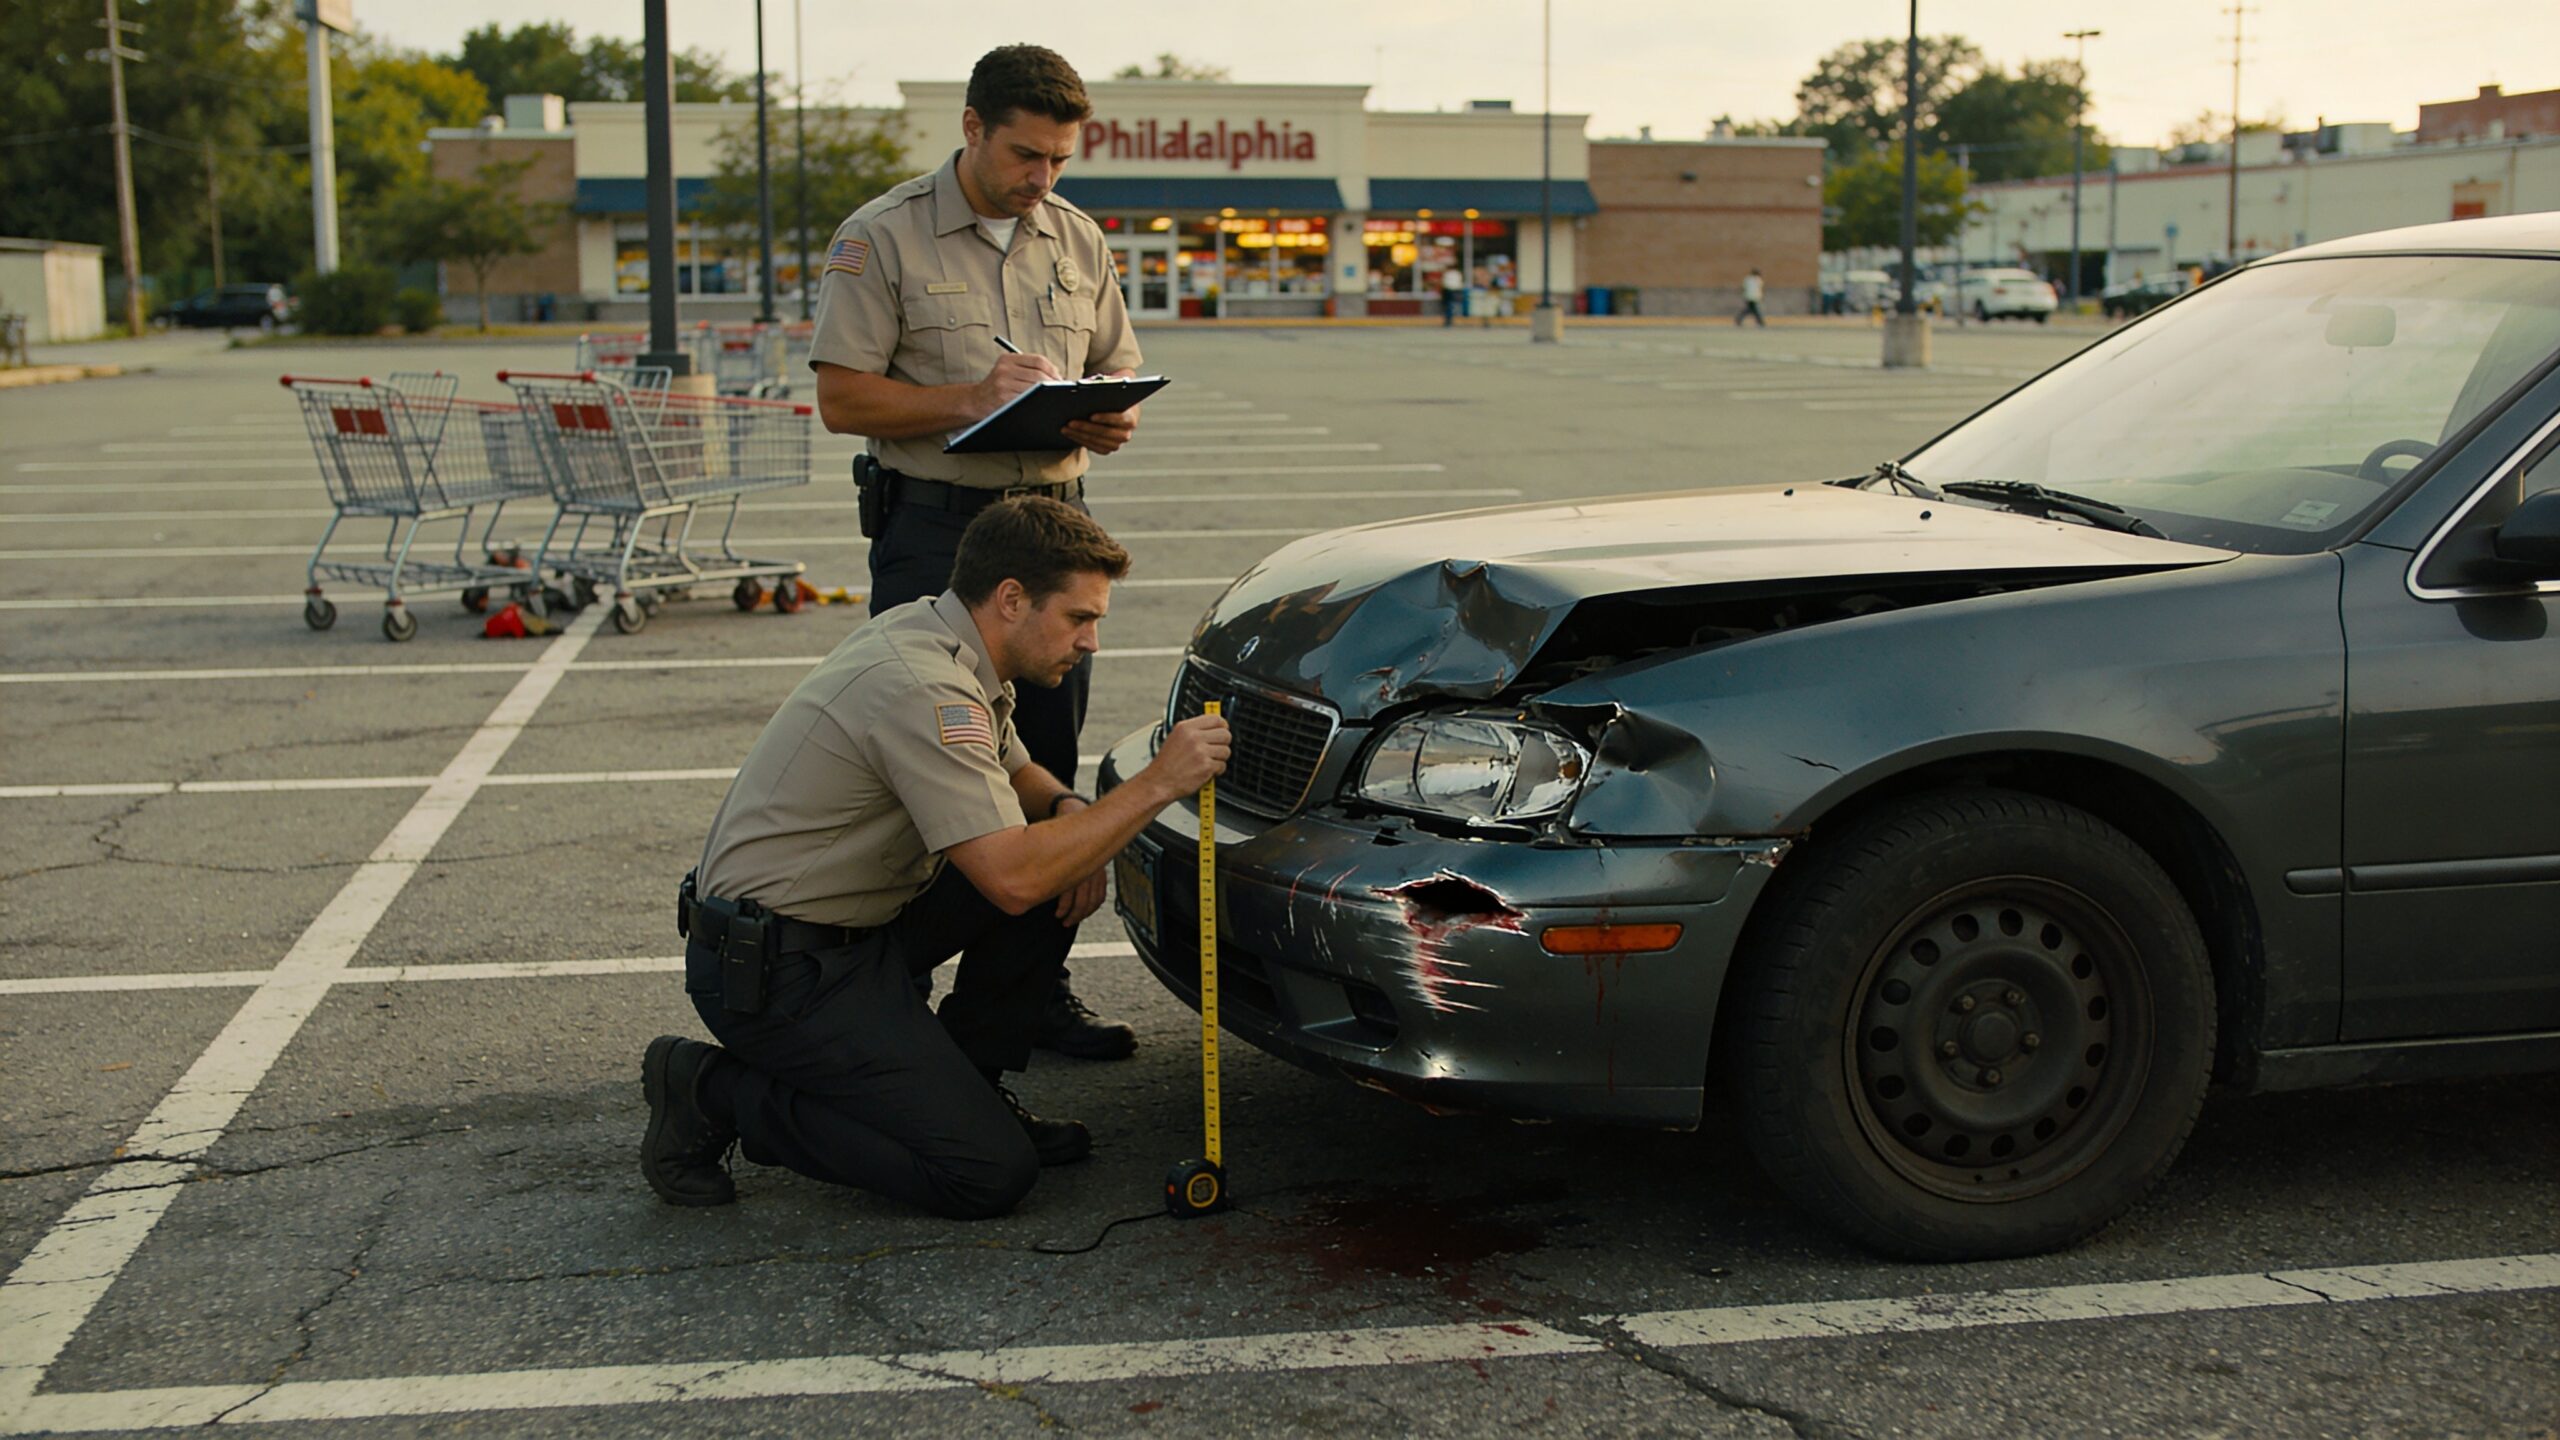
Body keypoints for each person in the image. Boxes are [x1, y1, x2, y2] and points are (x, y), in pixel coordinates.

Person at [642, 498, 1233, 1217]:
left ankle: (963, 1088)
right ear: (1012, 599)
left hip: (851, 936)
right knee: (984, 1173)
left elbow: (1017, 770)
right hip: (781, 975)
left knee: (1061, 856)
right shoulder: (923, 685)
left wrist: (1070, 812)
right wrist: (1159, 782)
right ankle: (710, 1089)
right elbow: (1012, 878)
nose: (1093, 643)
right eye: (1080, 618)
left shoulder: (943, 637)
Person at [806, 44, 1145, 1062]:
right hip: (937, 529)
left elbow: (1116, 364)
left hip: (1051, 522)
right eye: (1023, 155)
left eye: (1057, 159)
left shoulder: (1076, 239)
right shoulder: (883, 237)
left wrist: (1107, 415)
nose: (1040, 177)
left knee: (1045, 754)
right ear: (971, 128)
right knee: (935, 767)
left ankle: (1018, 1000)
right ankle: (880, 995)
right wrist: (971, 400)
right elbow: (841, 398)